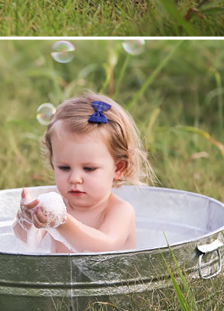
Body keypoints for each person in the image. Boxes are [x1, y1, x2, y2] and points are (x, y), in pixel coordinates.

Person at [14, 91, 150, 253]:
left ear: (118, 168)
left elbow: (105, 246)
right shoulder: (57, 205)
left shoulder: (120, 211)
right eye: (64, 167)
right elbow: (27, 242)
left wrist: (64, 223)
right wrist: (26, 221)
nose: (75, 178)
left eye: (89, 168)